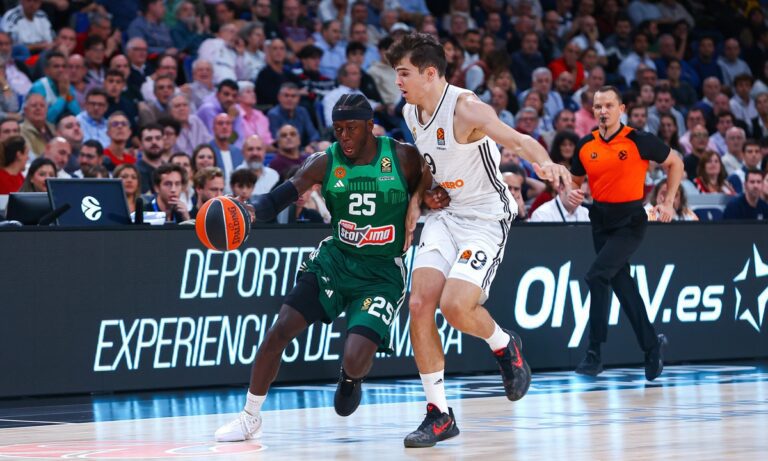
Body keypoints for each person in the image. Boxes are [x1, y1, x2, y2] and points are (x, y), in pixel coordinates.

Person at [386, 33, 570, 448]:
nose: (397, 81)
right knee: (419, 305)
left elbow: (518, 140)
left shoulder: (466, 108)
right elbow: (432, 165)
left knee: (454, 307)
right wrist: (418, 200)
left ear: (429, 73)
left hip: (486, 217)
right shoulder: (411, 111)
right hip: (447, 215)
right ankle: (439, 414)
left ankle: (504, 345)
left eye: (404, 73)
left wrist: (546, 163)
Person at [214, 94, 428, 442]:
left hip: (381, 274)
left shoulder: (402, 156)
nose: (344, 136)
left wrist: (420, 201)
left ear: (370, 126)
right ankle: (250, 416)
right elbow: (283, 195)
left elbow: (431, 178)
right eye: (338, 129)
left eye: (351, 128)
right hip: (335, 261)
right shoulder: (324, 161)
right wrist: (252, 210)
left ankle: (351, 377)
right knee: (280, 329)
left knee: (355, 358)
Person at [571, 85, 684, 380]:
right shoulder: (585, 144)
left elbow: (676, 162)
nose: (603, 111)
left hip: (630, 220)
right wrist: (571, 192)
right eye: (598, 106)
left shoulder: (638, 140)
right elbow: (574, 182)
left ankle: (594, 352)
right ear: (592, 110)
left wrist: (668, 202)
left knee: (597, 275)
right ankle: (652, 345)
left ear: (621, 109)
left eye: (609, 105)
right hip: (600, 220)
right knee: (623, 285)